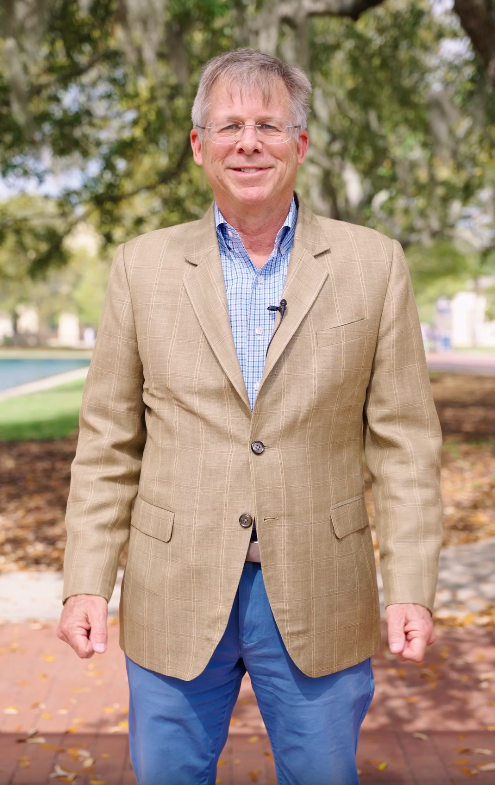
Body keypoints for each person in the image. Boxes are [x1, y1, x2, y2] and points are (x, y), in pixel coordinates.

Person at [58, 48, 442, 785]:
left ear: (299, 144)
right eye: (228, 125)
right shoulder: (141, 267)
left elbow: (404, 446)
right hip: (174, 586)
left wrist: (410, 586)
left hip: (320, 588)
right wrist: (85, 581)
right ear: (198, 145)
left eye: (268, 124)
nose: (248, 142)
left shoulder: (373, 263)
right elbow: (107, 444)